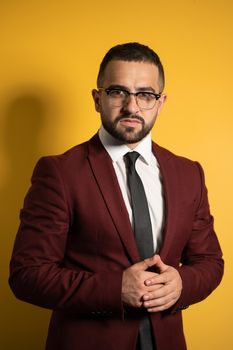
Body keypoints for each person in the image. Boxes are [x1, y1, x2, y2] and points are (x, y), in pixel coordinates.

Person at [9, 42, 224, 350]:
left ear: (161, 102)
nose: (132, 107)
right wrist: (114, 289)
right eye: (117, 92)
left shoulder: (188, 173)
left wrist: (182, 283)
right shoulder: (59, 172)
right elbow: (27, 275)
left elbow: (209, 262)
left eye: (145, 95)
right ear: (98, 99)